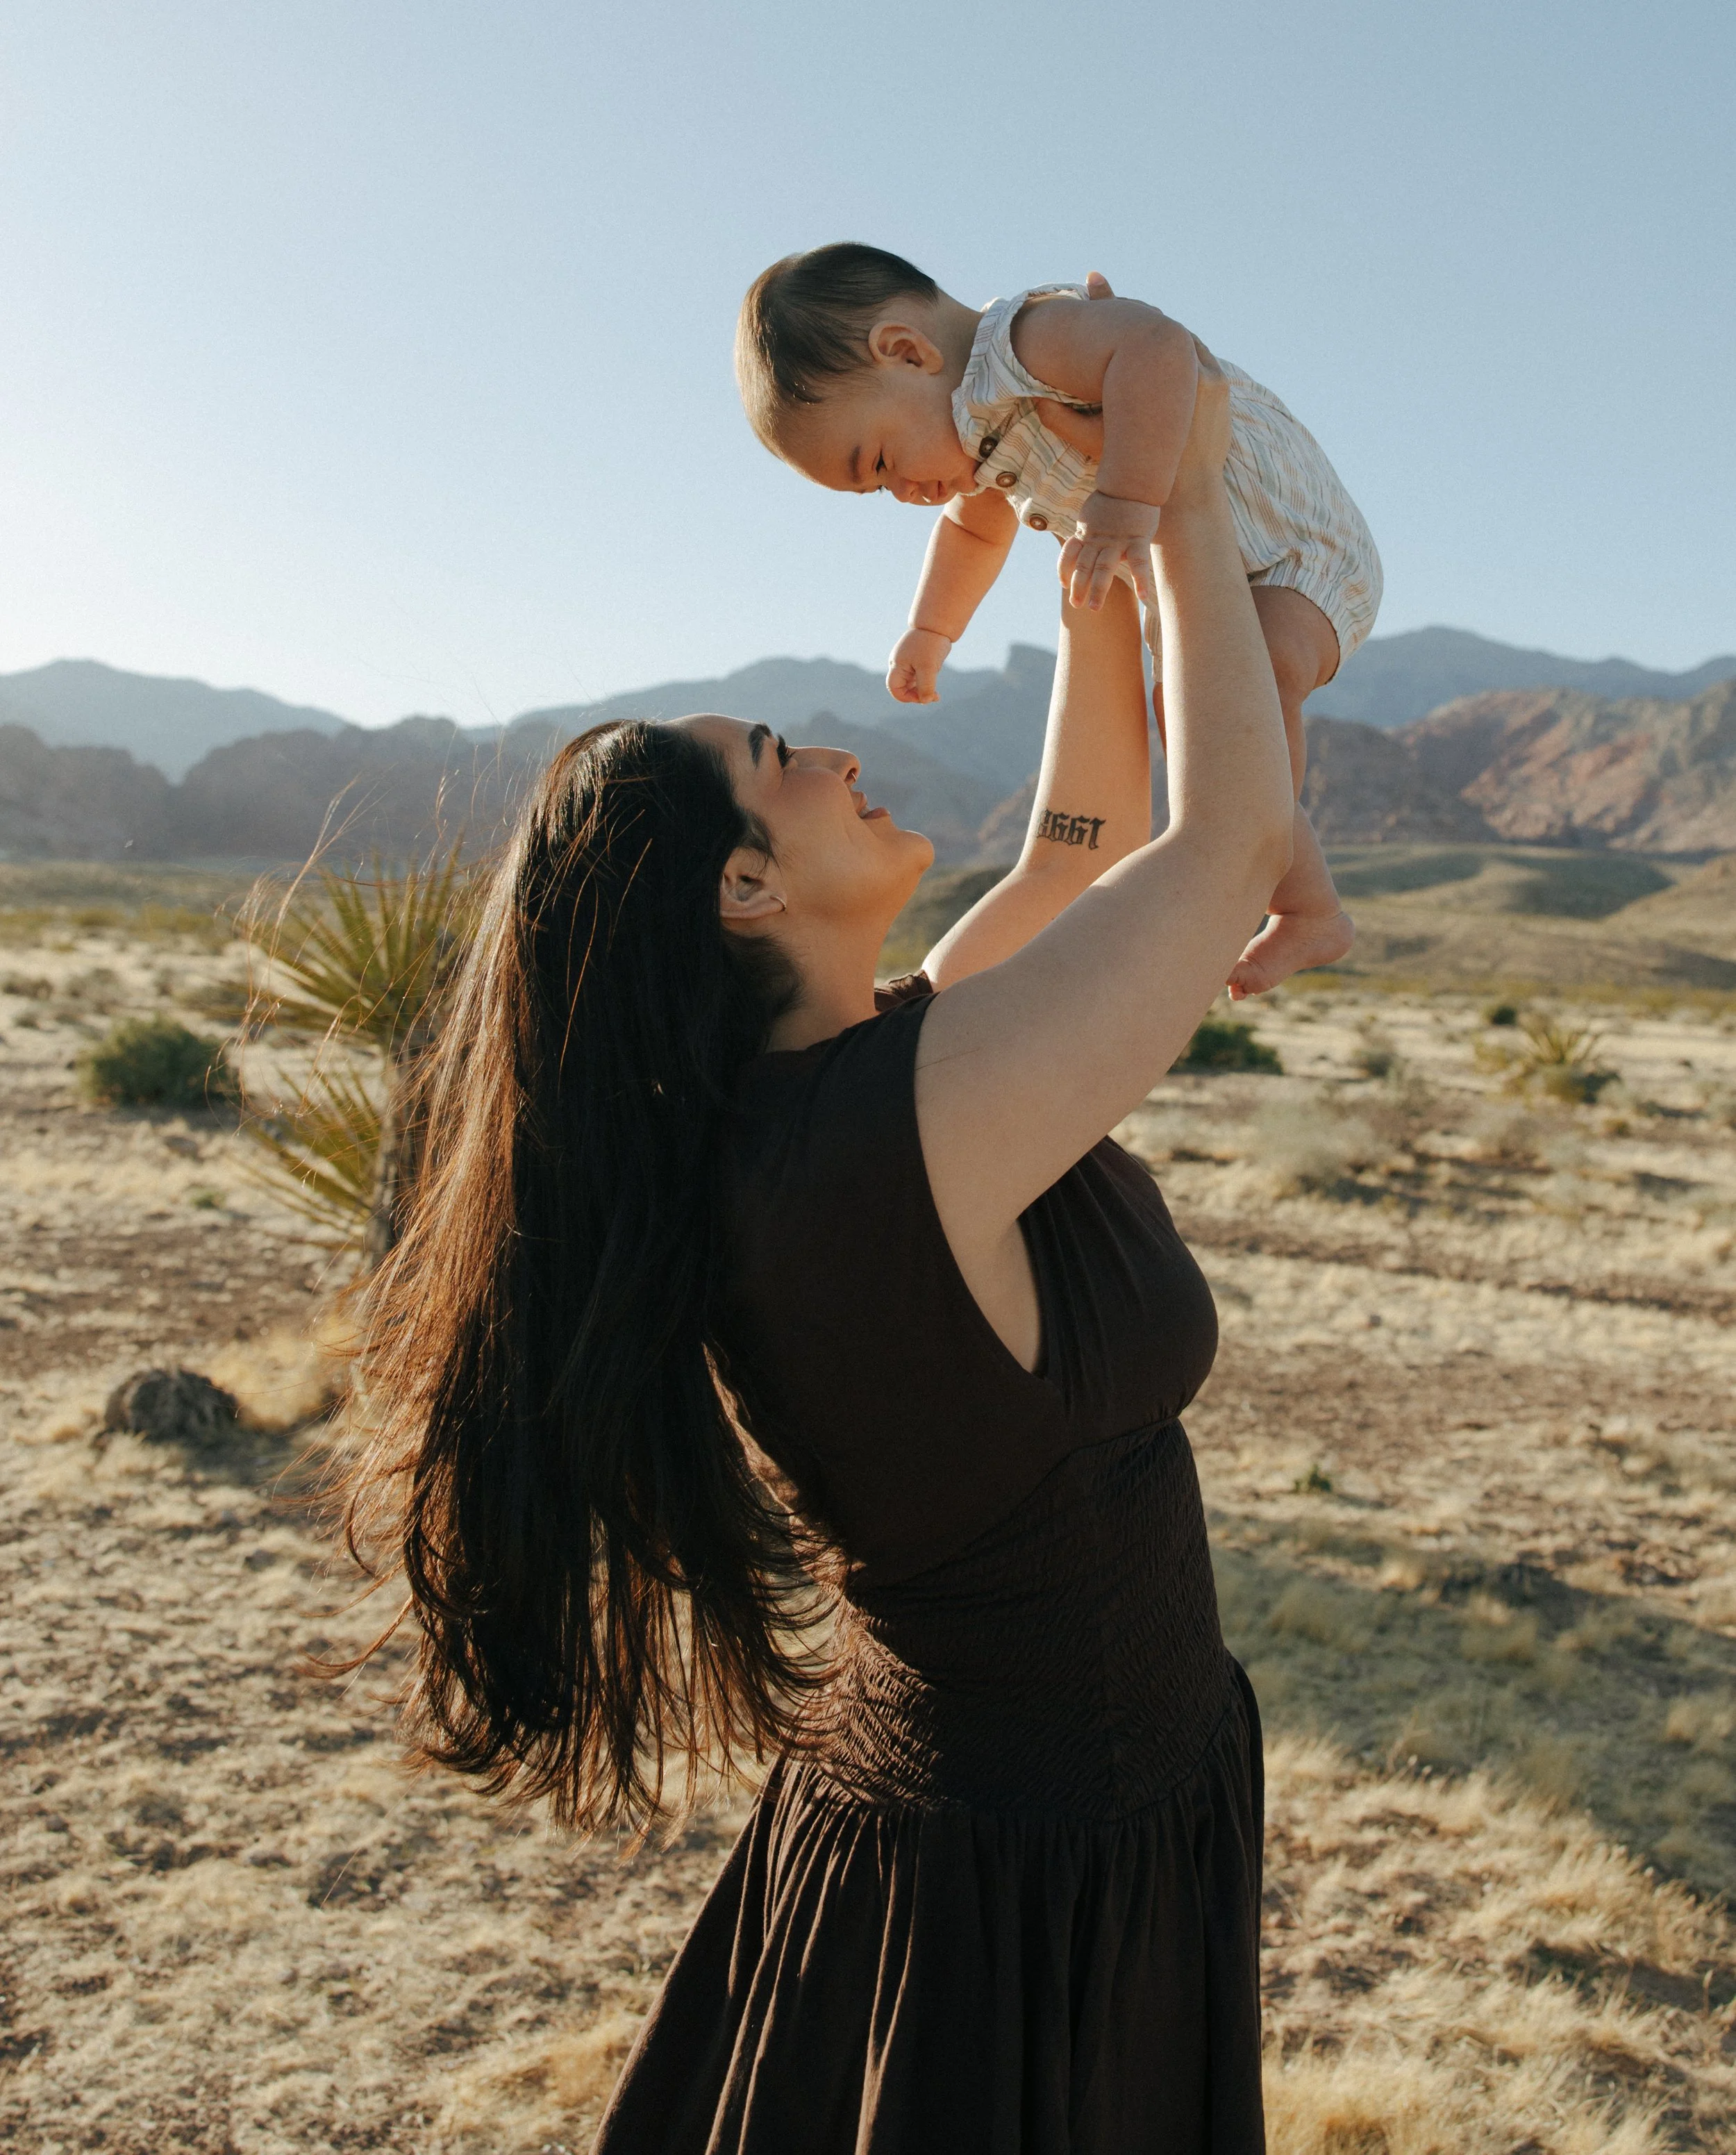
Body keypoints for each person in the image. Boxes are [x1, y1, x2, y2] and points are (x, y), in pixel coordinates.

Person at [348, 347, 1292, 2149]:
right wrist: (1180, 476)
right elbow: (1217, 842)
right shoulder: (864, 1153)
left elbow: (1083, 842)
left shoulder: (875, 1092)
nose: (837, 747)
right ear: (741, 889)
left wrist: (1077, 541)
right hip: (1007, 1892)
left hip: (1080, 1818)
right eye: (779, 761)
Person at [737, 244, 1380, 998]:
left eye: (879, 461)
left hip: (1291, 547)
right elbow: (970, 532)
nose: (904, 490)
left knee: (1251, 684)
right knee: (1198, 716)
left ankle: (1248, 864)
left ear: (906, 351)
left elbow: (1157, 347)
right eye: (880, 491)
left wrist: (1125, 499)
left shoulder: (1023, 342)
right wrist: (931, 631)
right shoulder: (980, 434)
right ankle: (1305, 902)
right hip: (1208, 580)